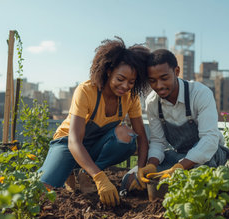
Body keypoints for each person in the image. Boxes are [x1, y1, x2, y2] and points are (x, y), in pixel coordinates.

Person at [38, 37, 149, 206]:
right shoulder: (86, 90)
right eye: (120, 79)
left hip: (96, 145)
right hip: (67, 143)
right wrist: (100, 177)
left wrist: (140, 170)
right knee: (43, 189)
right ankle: (73, 171)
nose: (125, 86)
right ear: (108, 71)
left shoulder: (130, 98)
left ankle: (85, 173)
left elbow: (141, 136)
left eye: (131, 82)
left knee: (127, 136)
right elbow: (74, 142)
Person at [122, 49, 229, 192]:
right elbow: (158, 142)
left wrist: (179, 167)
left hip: (209, 154)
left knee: (198, 176)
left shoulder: (200, 94)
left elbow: (209, 139)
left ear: (177, 71)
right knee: (130, 181)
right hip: (179, 155)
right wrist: (152, 165)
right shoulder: (152, 102)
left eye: (164, 78)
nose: (159, 86)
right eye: (153, 81)